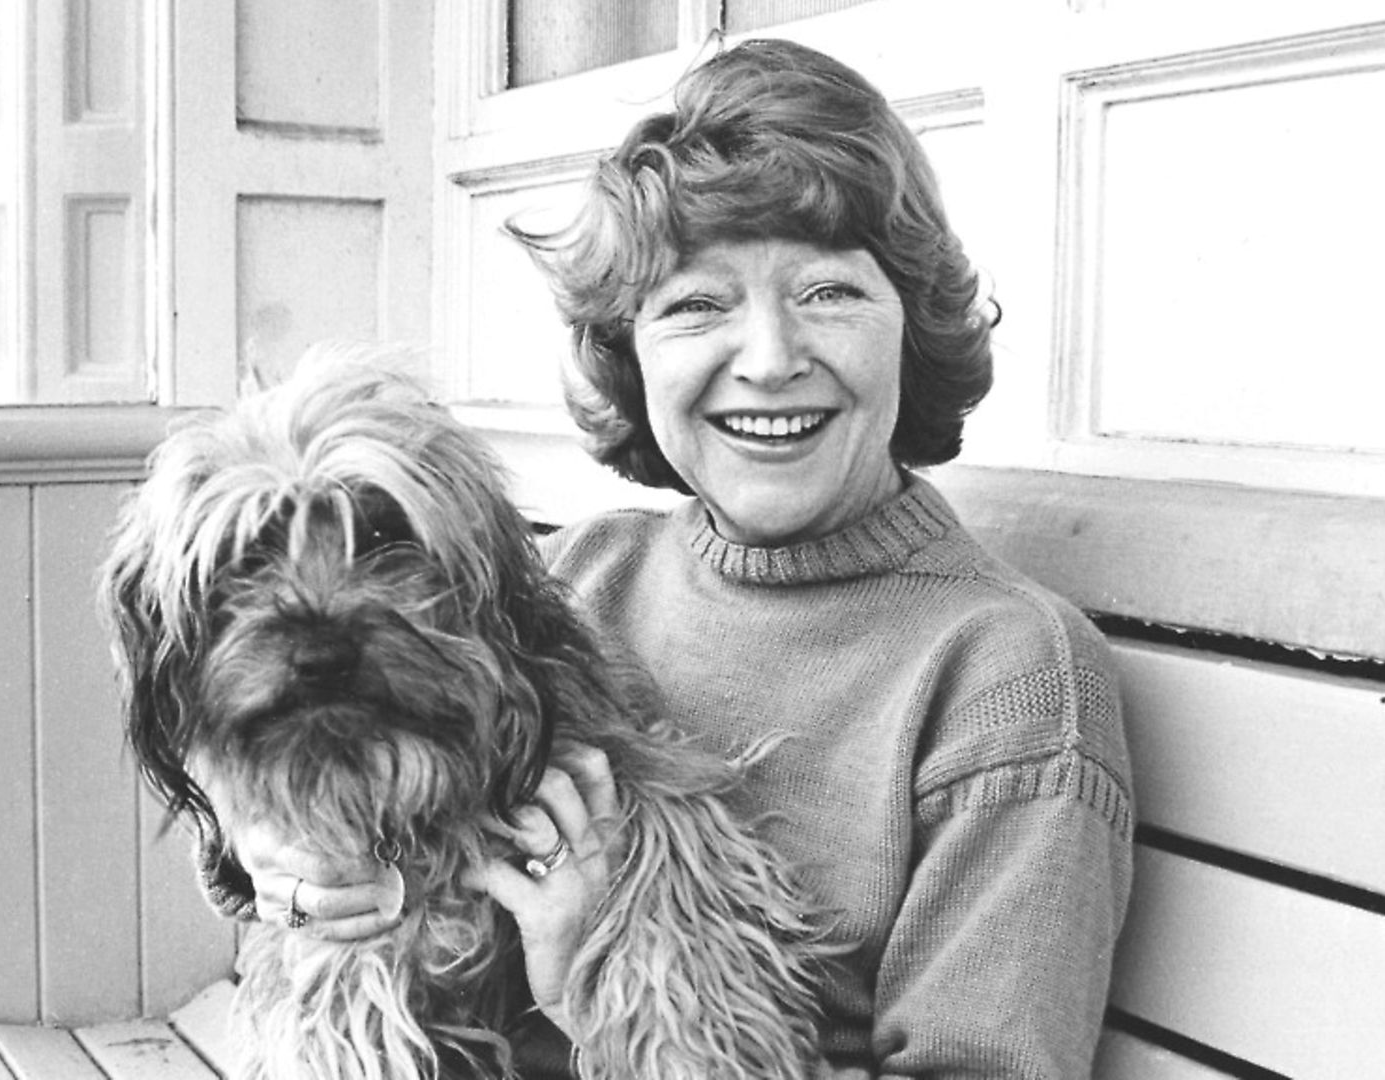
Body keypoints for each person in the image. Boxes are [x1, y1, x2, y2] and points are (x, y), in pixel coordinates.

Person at [213, 37, 1133, 1078]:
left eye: (829, 291)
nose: (772, 358)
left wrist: (589, 991)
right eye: (697, 303)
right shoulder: (585, 573)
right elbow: (379, 828)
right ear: (631, 354)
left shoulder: (1008, 675)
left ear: (912, 329)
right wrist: (289, 865)